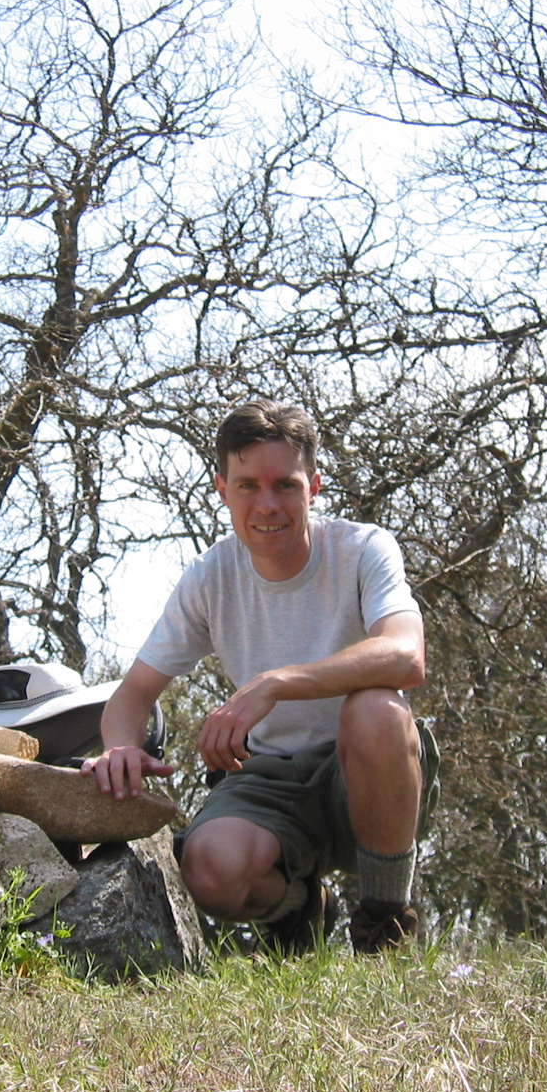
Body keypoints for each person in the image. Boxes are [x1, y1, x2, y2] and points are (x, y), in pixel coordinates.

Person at [81, 400, 437, 954]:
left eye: (285, 486)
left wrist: (275, 682)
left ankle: (385, 922)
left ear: (313, 487)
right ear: (222, 490)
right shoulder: (210, 577)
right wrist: (120, 748)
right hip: (269, 777)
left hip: (368, 773)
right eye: (248, 486)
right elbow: (132, 696)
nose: (267, 505)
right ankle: (299, 909)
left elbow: (405, 655)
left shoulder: (364, 548)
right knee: (209, 869)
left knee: (377, 709)